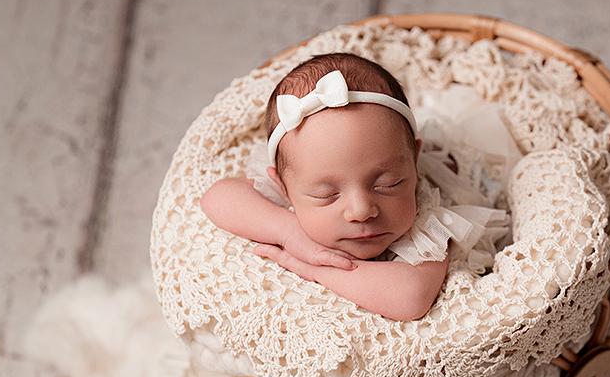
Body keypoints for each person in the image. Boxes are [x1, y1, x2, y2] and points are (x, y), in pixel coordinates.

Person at [201, 53, 502, 321]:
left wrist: (314, 268)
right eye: (326, 195)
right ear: (283, 188)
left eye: (388, 184)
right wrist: (290, 234)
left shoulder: (427, 218)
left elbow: (411, 297)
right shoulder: (299, 174)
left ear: (414, 163)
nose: (361, 211)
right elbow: (216, 197)